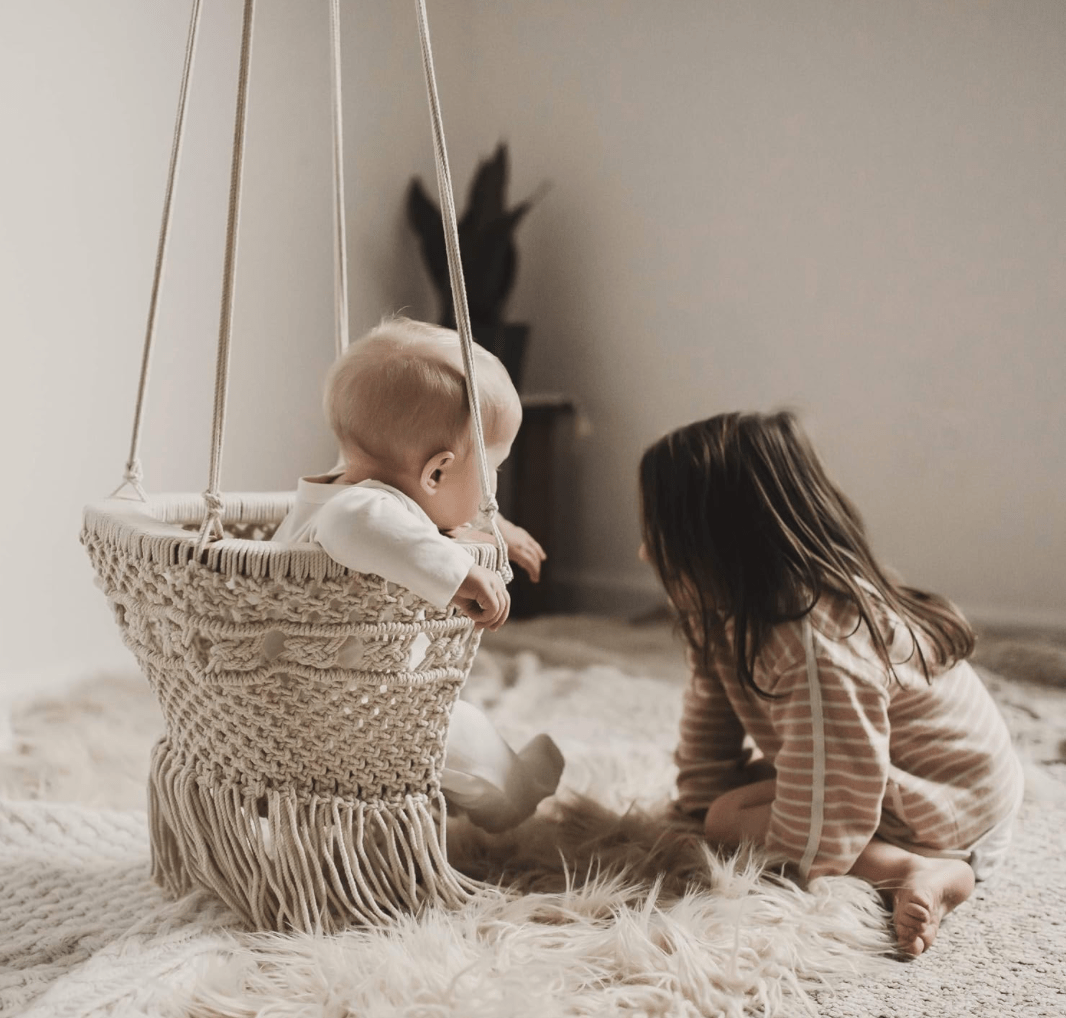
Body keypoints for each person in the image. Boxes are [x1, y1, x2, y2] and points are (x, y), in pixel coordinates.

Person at [638, 411, 1024, 957]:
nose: (645, 554)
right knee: (730, 805)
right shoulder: (728, 606)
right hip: (899, 773)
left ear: (717, 544)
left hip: (951, 809)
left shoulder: (815, 647)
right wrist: (697, 808)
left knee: (736, 817)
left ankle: (920, 869)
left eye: (661, 536)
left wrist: (726, 832)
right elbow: (712, 717)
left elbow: (823, 829)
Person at [273, 316, 562, 832]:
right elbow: (366, 523)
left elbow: (417, 520)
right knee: (461, 737)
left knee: (455, 725)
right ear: (435, 472)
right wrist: (459, 574)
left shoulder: (358, 489)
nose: (493, 486)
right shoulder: (357, 511)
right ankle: (517, 792)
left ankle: (509, 779)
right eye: (492, 470)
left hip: (340, 702)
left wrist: (495, 527)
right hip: (347, 717)